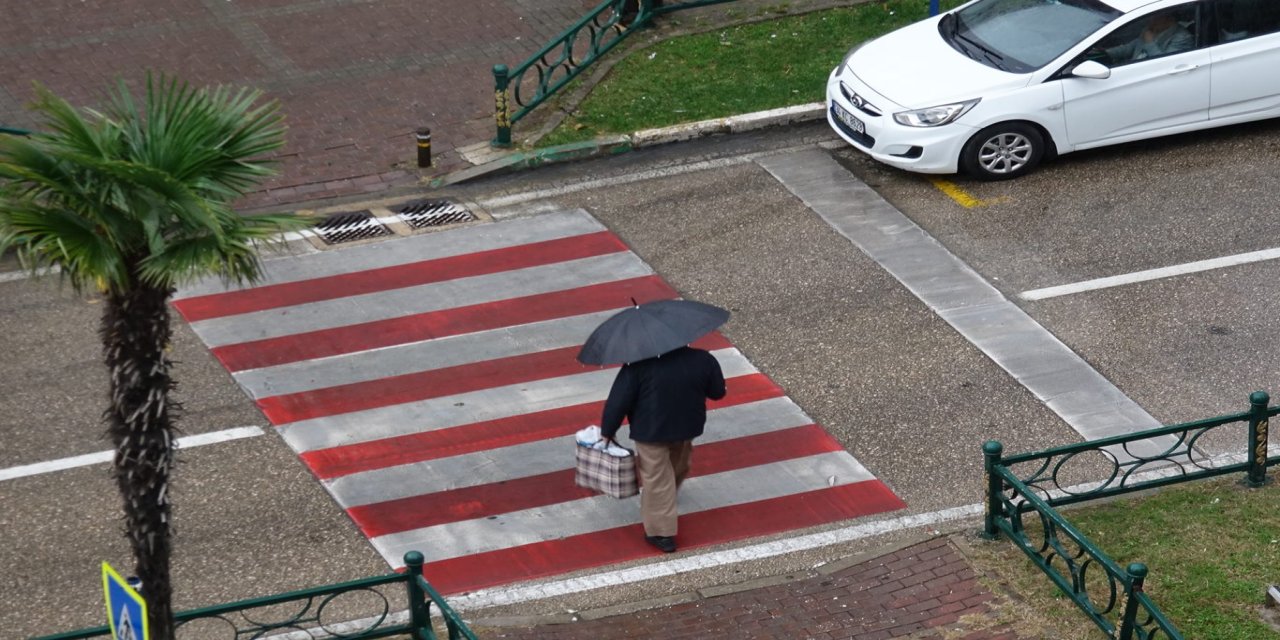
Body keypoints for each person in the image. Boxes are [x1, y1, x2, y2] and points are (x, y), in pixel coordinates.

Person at [600, 345, 725, 553]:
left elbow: (618, 402)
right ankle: (668, 497)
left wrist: (608, 430)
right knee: (679, 464)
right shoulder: (703, 359)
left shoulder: (637, 366)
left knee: (657, 478)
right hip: (688, 426)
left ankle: (661, 532)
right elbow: (717, 392)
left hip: (650, 431)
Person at [1103, 12, 1194, 63]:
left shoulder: (1182, 38)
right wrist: (1106, 53)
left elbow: (1166, 63)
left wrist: (1150, 43)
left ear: (1169, 19)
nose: (1151, 21)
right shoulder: (1152, 29)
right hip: (1133, 65)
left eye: (1156, 18)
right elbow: (1133, 46)